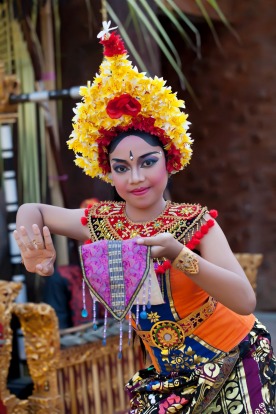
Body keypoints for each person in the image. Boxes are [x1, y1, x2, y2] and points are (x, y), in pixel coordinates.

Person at [13, 22, 275, 413]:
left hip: (234, 358)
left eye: (147, 163)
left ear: (170, 162)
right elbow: (32, 209)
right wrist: (32, 245)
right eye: (121, 168)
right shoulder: (101, 222)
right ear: (109, 173)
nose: (135, 178)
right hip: (168, 377)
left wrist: (178, 251)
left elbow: (244, 299)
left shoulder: (194, 221)